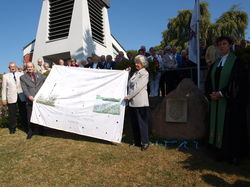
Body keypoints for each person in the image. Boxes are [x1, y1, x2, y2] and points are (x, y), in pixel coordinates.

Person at [205, 36, 249, 164]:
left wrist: (222, 93)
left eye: (225, 44)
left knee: (232, 128)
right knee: (219, 126)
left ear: (230, 45)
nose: (222, 46)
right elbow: (208, 82)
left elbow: (237, 82)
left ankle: (234, 154)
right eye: (220, 44)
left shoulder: (237, 62)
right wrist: (211, 93)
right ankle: (220, 151)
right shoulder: (215, 64)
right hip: (217, 101)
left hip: (231, 103)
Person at [124, 55, 150, 151]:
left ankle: (145, 142)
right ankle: (137, 141)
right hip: (132, 103)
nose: (136, 64)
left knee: (142, 124)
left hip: (140, 102)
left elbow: (138, 87)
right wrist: (126, 74)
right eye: (135, 62)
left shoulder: (144, 73)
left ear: (143, 64)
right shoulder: (135, 73)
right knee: (134, 123)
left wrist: (128, 97)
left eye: (138, 62)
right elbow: (129, 85)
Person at [20, 62, 46, 139]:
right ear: (26, 68)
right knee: (30, 117)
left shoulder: (40, 75)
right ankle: (31, 131)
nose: (30, 68)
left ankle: (42, 130)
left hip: (39, 99)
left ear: (33, 67)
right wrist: (29, 96)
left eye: (31, 67)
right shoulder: (23, 77)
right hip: (30, 100)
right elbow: (24, 89)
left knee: (40, 115)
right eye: (28, 67)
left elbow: (48, 78)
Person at [1, 62, 28, 134]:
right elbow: (4, 88)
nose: (13, 68)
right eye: (11, 67)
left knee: (23, 112)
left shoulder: (21, 74)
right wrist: (3, 98)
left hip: (21, 96)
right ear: (9, 68)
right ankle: (12, 128)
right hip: (11, 97)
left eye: (14, 66)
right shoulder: (5, 76)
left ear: (16, 67)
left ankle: (25, 126)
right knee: (12, 114)